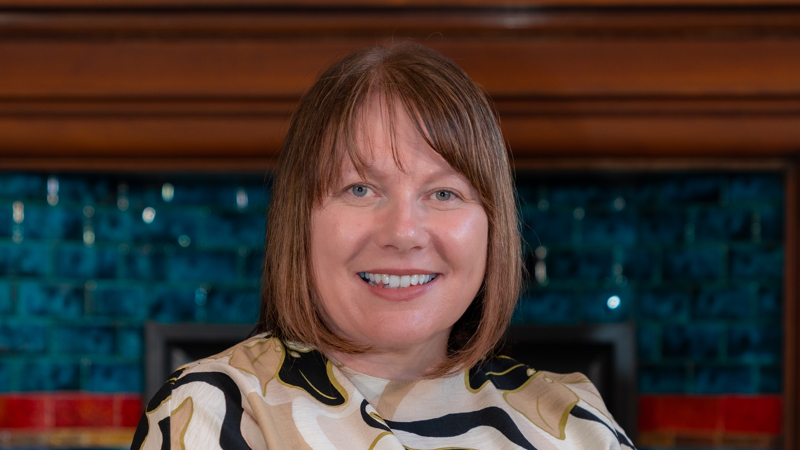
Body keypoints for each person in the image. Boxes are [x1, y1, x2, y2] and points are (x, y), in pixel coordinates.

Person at [131, 43, 635, 449]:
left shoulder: (574, 421)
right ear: (299, 219)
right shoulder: (215, 412)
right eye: (360, 189)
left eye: (443, 193)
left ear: (492, 224)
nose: (403, 232)